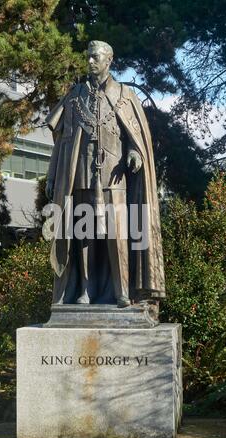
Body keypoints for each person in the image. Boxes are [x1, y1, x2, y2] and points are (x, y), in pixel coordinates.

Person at [45, 40, 165, 308]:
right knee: (84, 237)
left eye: (95, 57)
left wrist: (135, 153)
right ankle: (85, 290)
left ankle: (123, 291)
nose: (89, 62)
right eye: (87, 57)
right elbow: (61, 143)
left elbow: (136, 137)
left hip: (115, 181)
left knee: (117, 236)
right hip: (80, 180)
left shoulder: (125, 96)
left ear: (109, 60)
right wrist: (53, 176)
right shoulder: (74, 96)